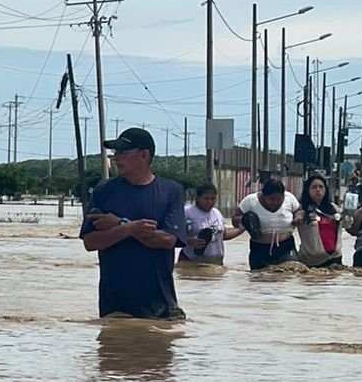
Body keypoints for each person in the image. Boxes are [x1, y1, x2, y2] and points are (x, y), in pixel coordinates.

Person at [80, 127, 186, 320]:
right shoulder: (104, 191)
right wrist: (128, 229)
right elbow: (90, 242)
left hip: (161, 307)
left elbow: (168, 240)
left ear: (144, 155)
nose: (116, 158)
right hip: (114, 307)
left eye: (122, 153)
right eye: (114, 153)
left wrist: (121, 224)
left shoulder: (171, 191)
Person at [233, 178, 304, 270]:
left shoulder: (290, 198)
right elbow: (235, 220)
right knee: (260, 277)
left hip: (286, 247)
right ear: (263, 195)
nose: (275, 202)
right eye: (271, 199)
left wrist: (298, 218)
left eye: (279, 199)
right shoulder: (250, 201)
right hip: (259, 249)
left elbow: (299, 211)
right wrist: (246, 221)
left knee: (290, 274)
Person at [180, 183, 243, 265]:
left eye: (213, 199)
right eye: (206, 199)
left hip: (216, 263)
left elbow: (224, 235)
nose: (210, 202)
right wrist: (188, 240)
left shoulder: (217, 213)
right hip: (191, 262)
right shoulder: (187, 212)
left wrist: (242, 229)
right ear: (198, 198)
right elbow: (174, 234)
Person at [297, 175, 343, 268]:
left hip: (335, 259)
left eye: (321, 187)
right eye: (314, 187)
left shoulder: (334, 208)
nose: (318, 190)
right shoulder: (301, 209)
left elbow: (347, 226)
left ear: (326, 190)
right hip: (310, 262)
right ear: (307, 190)